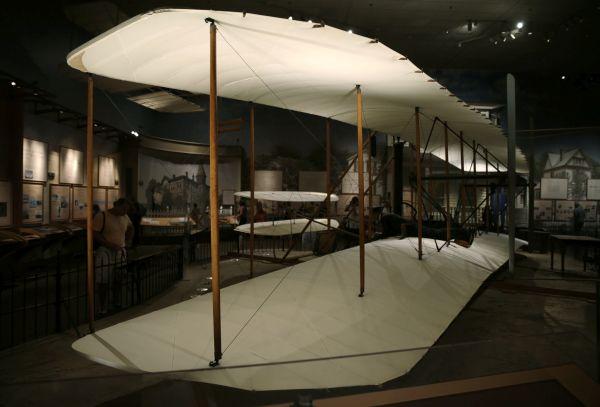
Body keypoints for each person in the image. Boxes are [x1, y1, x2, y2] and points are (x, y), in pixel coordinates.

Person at [93, 198, 133, 315]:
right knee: (103, 280)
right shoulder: (102, 216)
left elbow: (131, 227)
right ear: (117, 205)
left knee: (118, 278)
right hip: (105, 251)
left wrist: (128, 240)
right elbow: (95, 233)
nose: (125, 211)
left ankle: (116, 301)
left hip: (120, 250)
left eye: (127, 209)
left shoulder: (124, 217)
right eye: (124, 208)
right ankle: (102, 306)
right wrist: (108, 244)